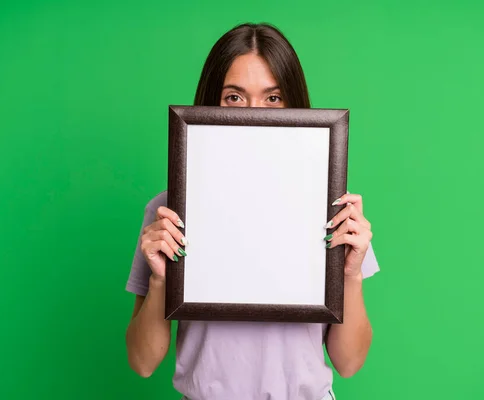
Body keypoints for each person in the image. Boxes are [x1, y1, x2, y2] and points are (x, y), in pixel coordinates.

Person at [125, 22, 380, 400]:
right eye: (234, 97)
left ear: (295, 106)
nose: (254, 115)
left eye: (273, 98)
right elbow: (142, 361)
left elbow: (349, 362)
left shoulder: (330, 207)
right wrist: (162, 281)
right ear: (210, 104)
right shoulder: (169, 209)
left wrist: (352, 275)